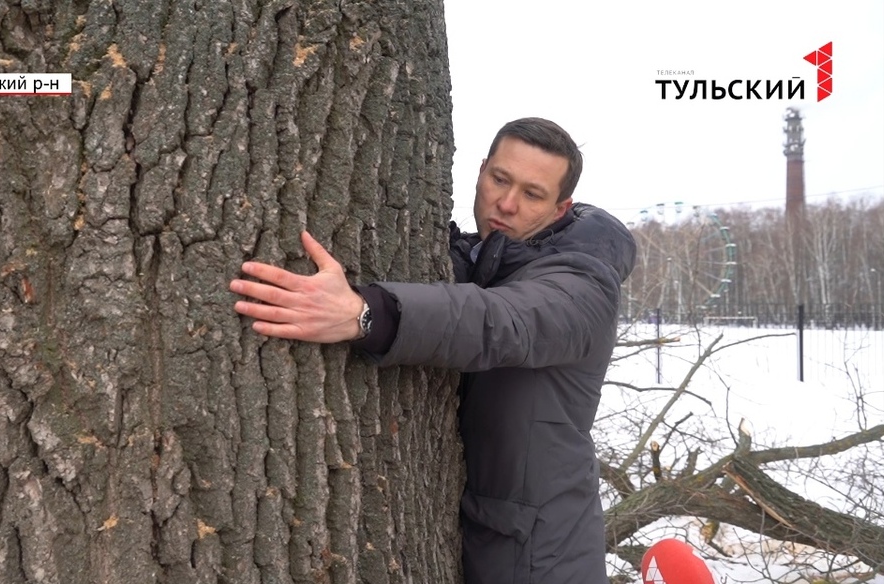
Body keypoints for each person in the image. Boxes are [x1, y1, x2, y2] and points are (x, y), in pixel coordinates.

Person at [229, 117, 637, 583]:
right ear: (481, 170)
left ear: (560, 209)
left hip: (544, 555)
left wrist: (366, 314)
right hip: (494, 534)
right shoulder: (493, 258)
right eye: (499, 179)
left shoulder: (583, 285)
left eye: (532, 194)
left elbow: (502, 322)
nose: (506, 203)